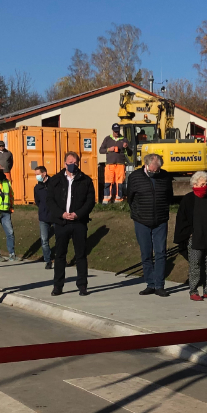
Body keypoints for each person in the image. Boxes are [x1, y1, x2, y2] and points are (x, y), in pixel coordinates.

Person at [127, 154, 175, 297]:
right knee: (146, 253)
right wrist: (137, 214)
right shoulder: (135, 177)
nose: (155, 173)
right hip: (141, 220)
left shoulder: (165, 177)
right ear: (146, 165)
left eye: (157, 170)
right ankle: (150, 283)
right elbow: (130, 198)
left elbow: (169, 197)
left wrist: (164, 211)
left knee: (160, 252)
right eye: (153, 170)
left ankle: (159, 285)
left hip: (160, 220)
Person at [47, 151, 95, 295]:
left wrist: (78, 214)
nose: (71, 164)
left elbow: (90, 201)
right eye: (69, 162)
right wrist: (61, 214)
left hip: (78, 223)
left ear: (78, 163)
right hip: (61, 223)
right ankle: (58, 286)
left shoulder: (85, 180)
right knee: (60, 255)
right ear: (64, 163)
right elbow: (50, 201)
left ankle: (82, 286)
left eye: (74, 162)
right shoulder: (55, 180)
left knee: (80, 255)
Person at [173, 171, 207, 301]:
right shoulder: (188, 199)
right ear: (195, 184)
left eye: (206, 183)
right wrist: (188, 234)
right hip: (195, 239)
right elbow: (181, 219)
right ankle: (193, 291)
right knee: (195, 266)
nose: (205, 185)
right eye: (202, 183)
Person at [99, 124, 129, 204]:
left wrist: (126, 147)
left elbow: (130, 153)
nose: (117, 133)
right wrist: (109, 149)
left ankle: (118, 200)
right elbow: (101, 150)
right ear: (112, 130)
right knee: (108, 182)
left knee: (120, 182)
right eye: (115, 131)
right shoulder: (107, 139)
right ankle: (106, 200)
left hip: (120, 164)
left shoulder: (124, 139)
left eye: (118, 131)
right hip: (109, 164)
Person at [34, 165, 54, 269]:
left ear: (44, 173)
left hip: (55, 215)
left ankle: (60, 258)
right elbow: (37, 201)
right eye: (35, 175)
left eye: (38, 174)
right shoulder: (37, 187)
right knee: (44, 240)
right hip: (43, 216)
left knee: (60, 238)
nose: (36, 176)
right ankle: (48, 260)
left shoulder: (53, 183)